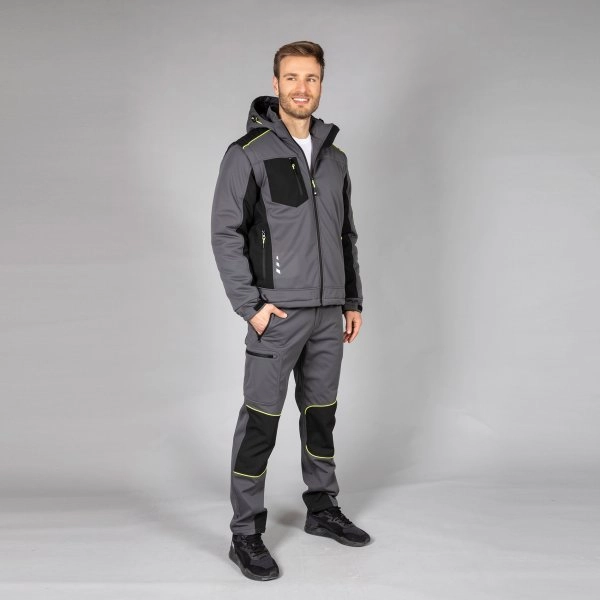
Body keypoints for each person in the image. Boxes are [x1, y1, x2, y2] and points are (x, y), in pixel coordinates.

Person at [211, 40, 370, 582]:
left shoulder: (335, 158)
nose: (302, 88)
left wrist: (351, 300)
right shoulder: (248, 153)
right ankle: (245, 532)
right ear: (275, 83)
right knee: (261, 423)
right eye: (292, 77)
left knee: (320, 414)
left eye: (312, 78)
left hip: (328, 315)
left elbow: (346, 235)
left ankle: (322, 509)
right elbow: (225, 232)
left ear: (321, 84)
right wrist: (250, 307)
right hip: (276, 316)